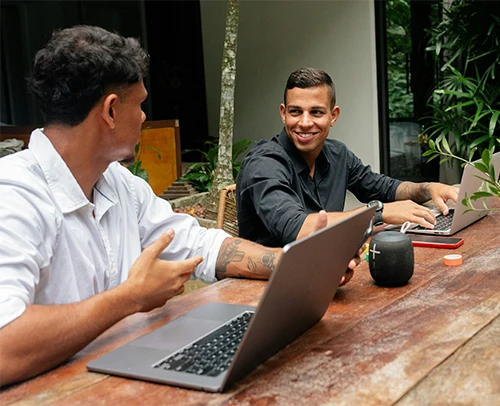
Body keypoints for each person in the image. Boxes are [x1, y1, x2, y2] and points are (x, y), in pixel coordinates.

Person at [0, 28, 360, 387]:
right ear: (110, 110)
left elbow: (199, 244)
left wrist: (297, 266)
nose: (144, 117)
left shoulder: (118, 183)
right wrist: (129, 298)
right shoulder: (13, 195)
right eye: (140, 104)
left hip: (123, 374)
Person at [236, 67, 460, 247]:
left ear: (333, 116)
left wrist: (428, 188)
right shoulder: (265, 163)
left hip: (326, 266)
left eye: (316, 112)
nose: (304, 122)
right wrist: (378, 212)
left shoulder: (337, 154)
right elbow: (297, 228)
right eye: (296, 112)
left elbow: (384, 188)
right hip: (265, 283)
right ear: (283, 114)